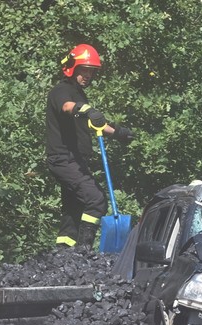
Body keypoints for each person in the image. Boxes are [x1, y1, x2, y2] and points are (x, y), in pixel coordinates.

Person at [45, 43, 134, 250]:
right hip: (63, 159)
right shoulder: (61, 91)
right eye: (84, 70)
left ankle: (64, 253)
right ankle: (84, 250)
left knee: (74, 208)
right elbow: (67, 107)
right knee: (96, 200)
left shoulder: (79, 94)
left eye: (91, 71)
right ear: (72, 68)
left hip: (75, 160)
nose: (87, 75)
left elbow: (96, 124)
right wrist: (85, 109)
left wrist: (119, 133)